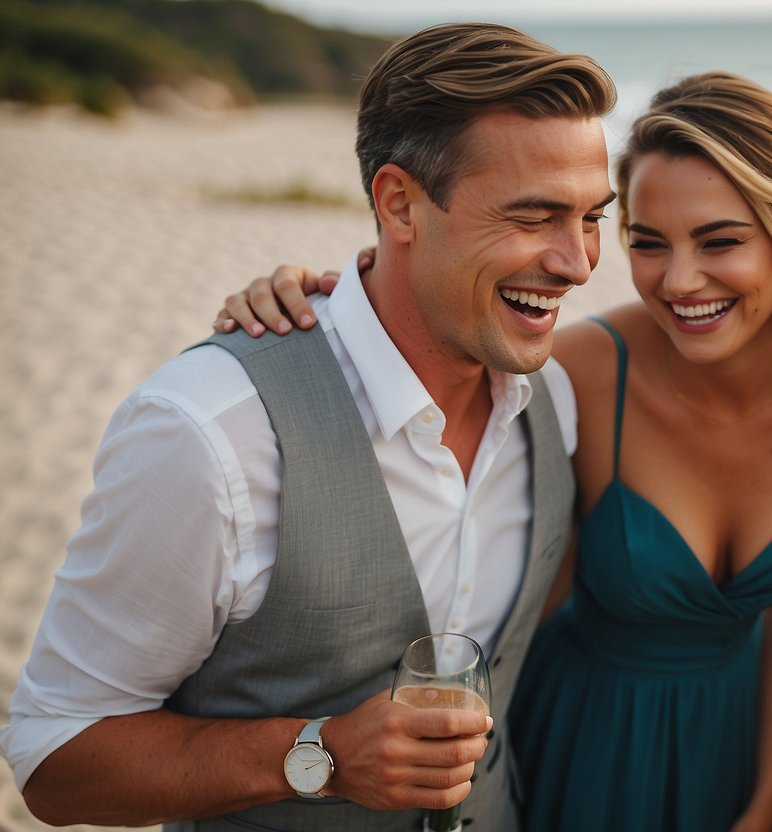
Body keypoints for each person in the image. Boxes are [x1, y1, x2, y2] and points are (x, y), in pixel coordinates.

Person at [215, 72, 772, 830]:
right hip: (579, 738)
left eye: (720, 241)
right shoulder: (574, 368)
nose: (678, 282)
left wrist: (768, 787)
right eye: (646, 242)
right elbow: (422, 336)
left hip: (734, 745)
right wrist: (303, 297)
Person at [0, 23, 616, 830]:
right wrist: (319, 755)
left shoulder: (559, 402)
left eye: (594, 217)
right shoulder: (210, 433)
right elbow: (54, 760)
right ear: (398, 203)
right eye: (533, 217)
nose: (575, 263)